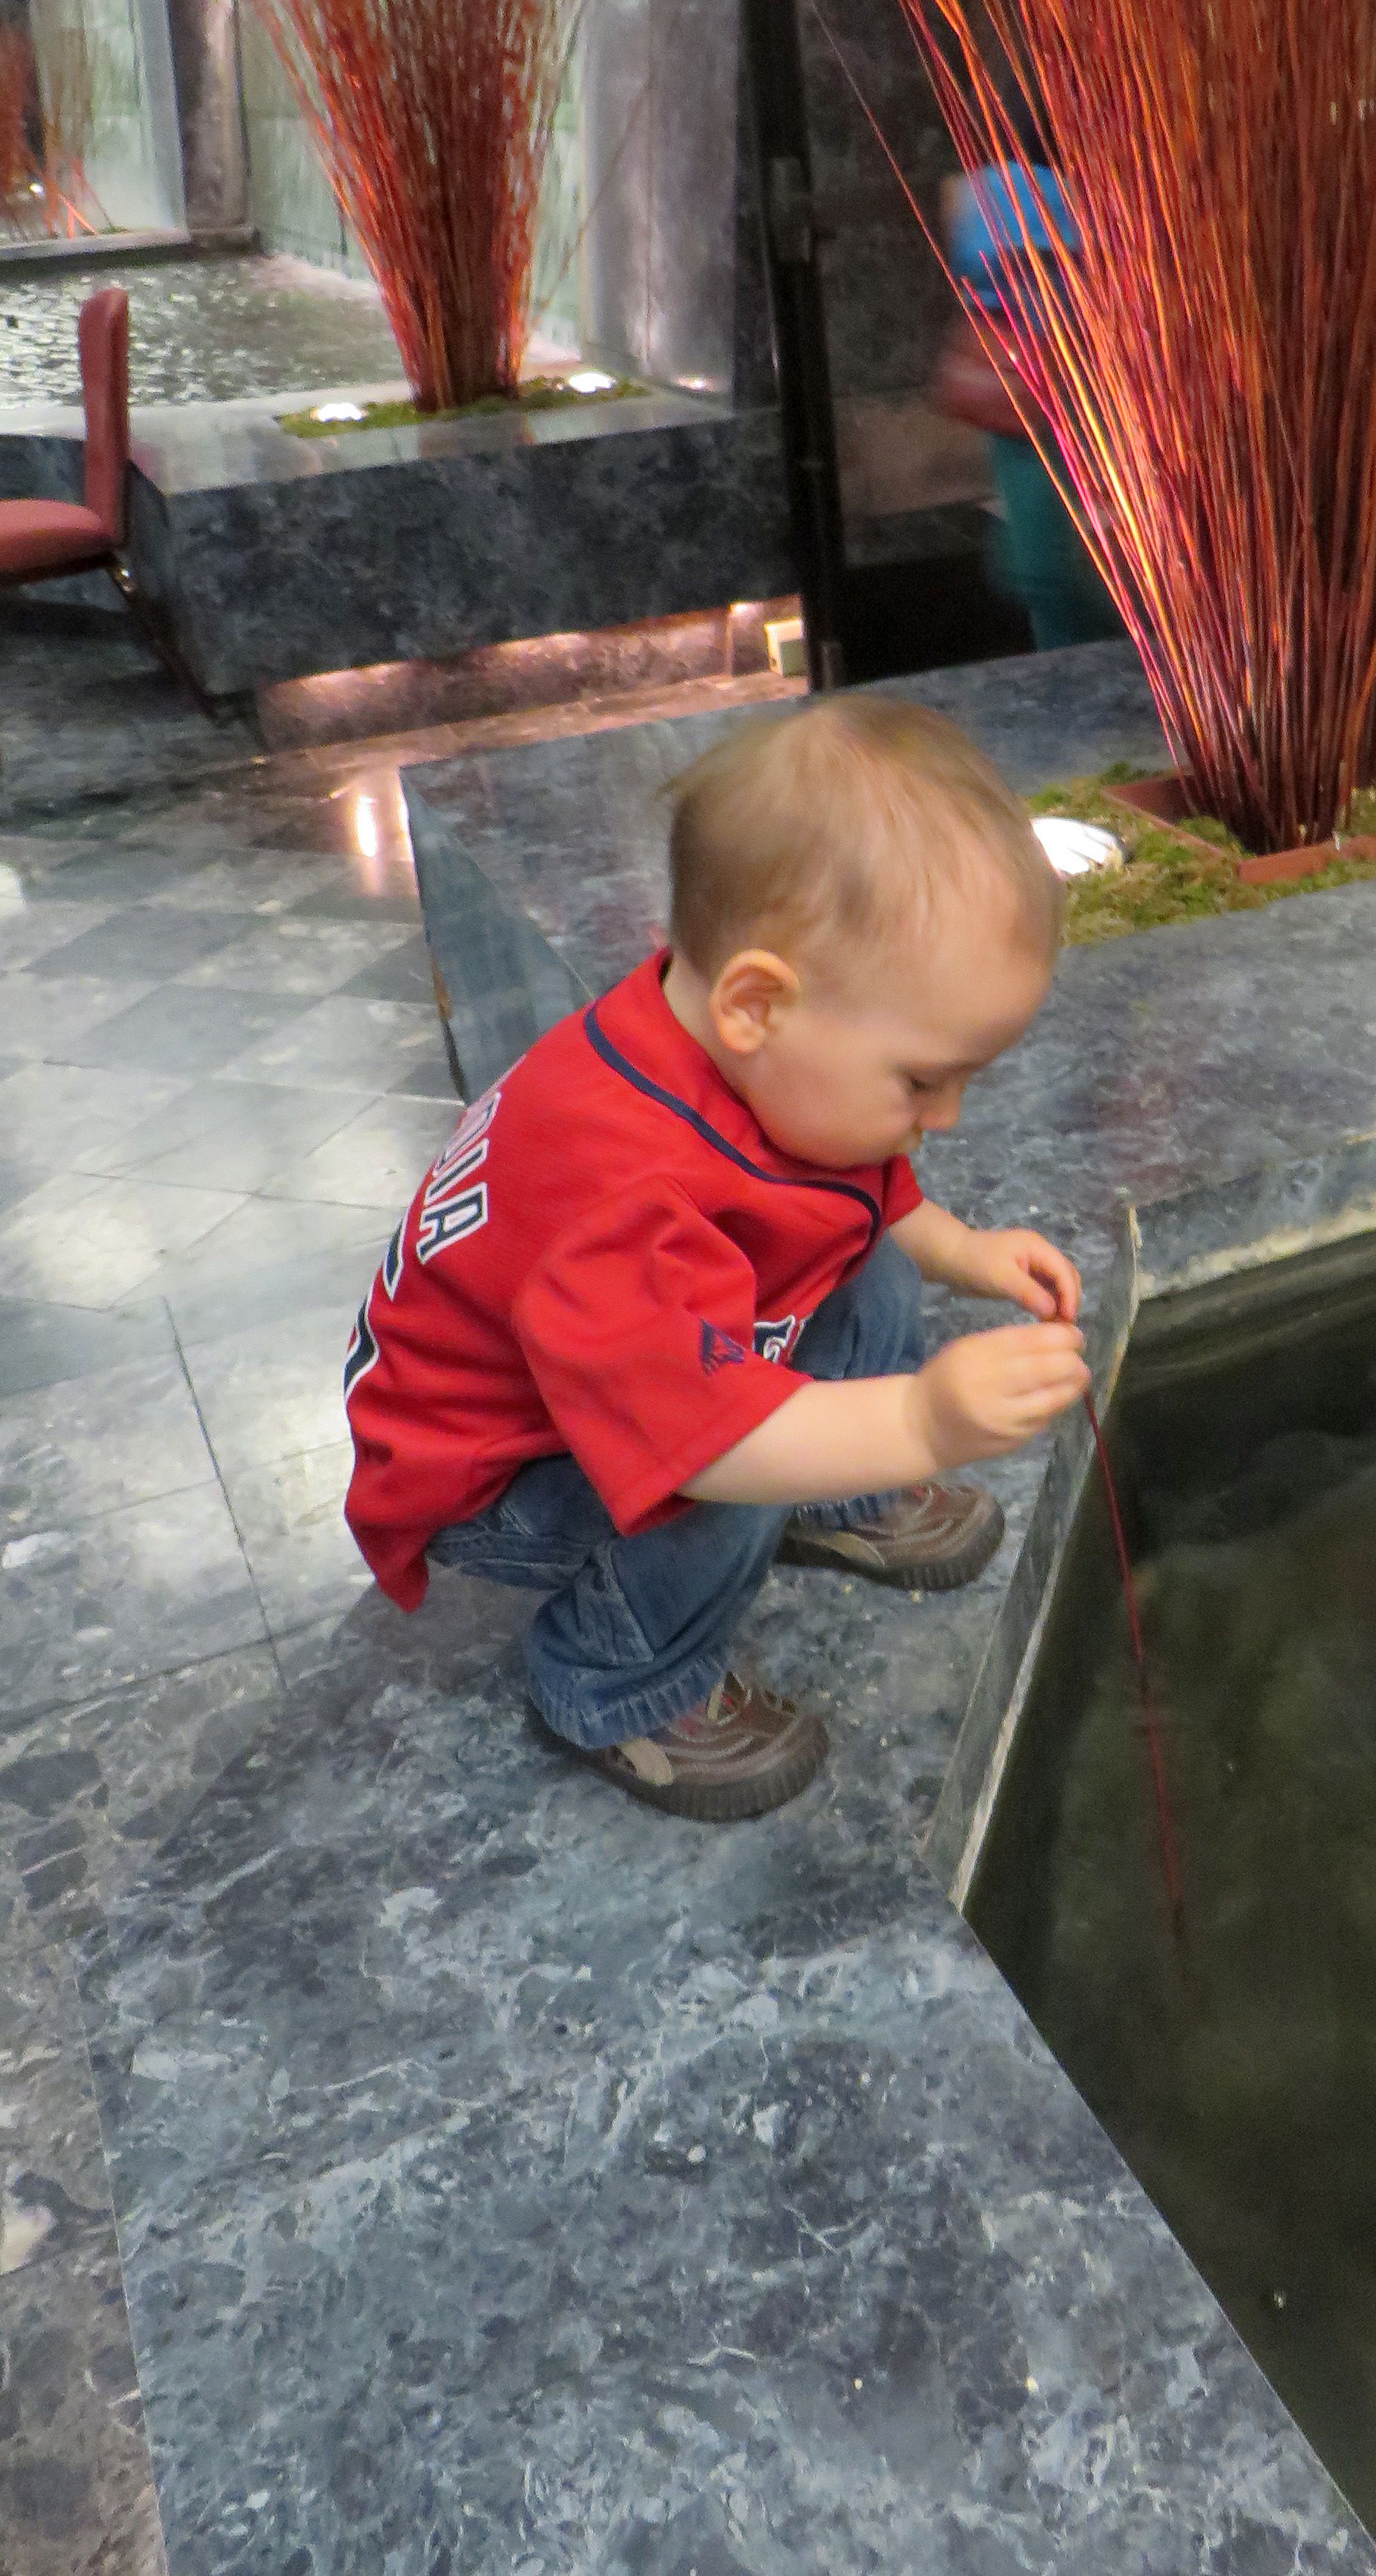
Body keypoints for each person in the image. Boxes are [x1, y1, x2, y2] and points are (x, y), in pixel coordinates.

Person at [342, 697, 1091, 1822]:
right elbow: (710, 1445)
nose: (947, 1116)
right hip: (492, 1473)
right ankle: (618, 1681)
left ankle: (844, 1498)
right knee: (732, 1481)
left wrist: (965, 1252)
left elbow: (852, 1195)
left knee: (863, 1268)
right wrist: (922, 1420)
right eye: (923, 1080)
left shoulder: (732, 1044)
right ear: (755, 1003)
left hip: (609, 1367)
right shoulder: (619, 1194)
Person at [936, 0, 1125, 653]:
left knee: (1072, 601)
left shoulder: (1080, 67)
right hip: (1042, 417)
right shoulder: (1024, 55)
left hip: (1075, 421)